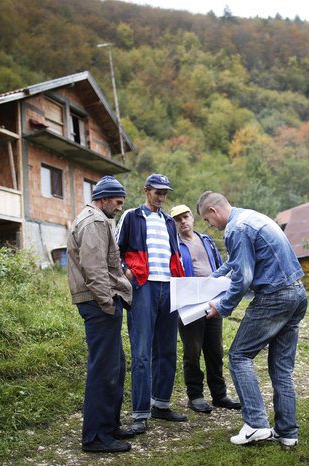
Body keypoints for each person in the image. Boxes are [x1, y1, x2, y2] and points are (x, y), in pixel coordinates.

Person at [196, 191, 308, 446]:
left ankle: (256, 424)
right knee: (281, 368)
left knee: (239, 356)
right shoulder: (250, 217)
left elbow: (243, 278)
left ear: (213, 211)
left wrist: (222, 307)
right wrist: (207, 282)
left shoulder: (235, 229)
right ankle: (287, 432)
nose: (209, 225)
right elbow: (234, 263)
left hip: (275, 296)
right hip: (297, 294)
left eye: (206, 219)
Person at [66, 175, 136, 453]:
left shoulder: (95, 218)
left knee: (114, 367)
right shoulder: (94, 221)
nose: (119, 206)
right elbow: (93, 268)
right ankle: (95, 437)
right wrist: (108, 303)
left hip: (100, 302)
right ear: (104, 198)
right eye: (118, 201)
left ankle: (109, 426)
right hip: (99, 305)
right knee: (103, 370)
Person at [116, 174, 187, 434]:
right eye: (157, 192)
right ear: (146, 191)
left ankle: (161, 404)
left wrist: (181, 283)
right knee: (142, 351)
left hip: (168, 288)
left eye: (165, 193)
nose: (162, 197)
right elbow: (116, 249)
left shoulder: (169, 221)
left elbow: (176, 254)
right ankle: (140, 412)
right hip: (143, 287)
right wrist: (126, 272)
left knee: (167, 349)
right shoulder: (132, 217)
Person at [169, 204, 241, 414]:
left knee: (215, 350)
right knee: (192, 351)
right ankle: (195, 396)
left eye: (185, 216)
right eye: (177, 219)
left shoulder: (207, 240)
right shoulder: (173, 245)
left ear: (192, 217)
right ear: (174, 223)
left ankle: (219, 395)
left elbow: (220, 266)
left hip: (212, 301)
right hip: (188, 303)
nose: (183, 221)